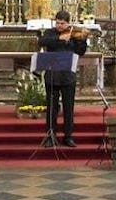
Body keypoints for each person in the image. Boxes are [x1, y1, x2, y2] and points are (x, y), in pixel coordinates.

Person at [38, 10, 88, 147]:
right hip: (52, 76)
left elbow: (80, 52)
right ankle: (50, 135)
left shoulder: (74, 35)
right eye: (58, 23)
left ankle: (68, 136)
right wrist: (59, 38)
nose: (60, 26)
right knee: (51, 108)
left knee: (68, 107)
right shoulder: (50, 33)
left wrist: (83, 40)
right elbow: (41, 41)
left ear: (68, 23)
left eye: (63, 23)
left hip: (68, 76)